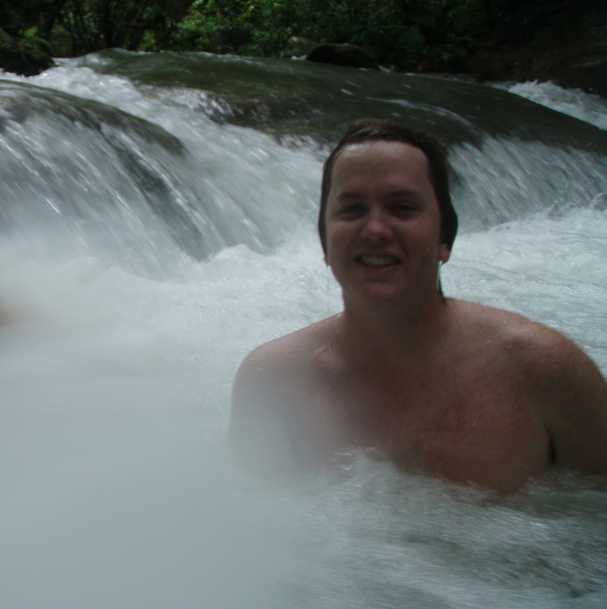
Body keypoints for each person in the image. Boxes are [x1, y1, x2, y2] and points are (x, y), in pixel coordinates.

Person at [231, 119, 607, 492]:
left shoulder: (545, 370)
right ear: (325, 242)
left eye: (402, 207)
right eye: (352, 209)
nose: (376, 229)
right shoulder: (272, 381)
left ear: (445, 237)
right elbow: (256, 533)